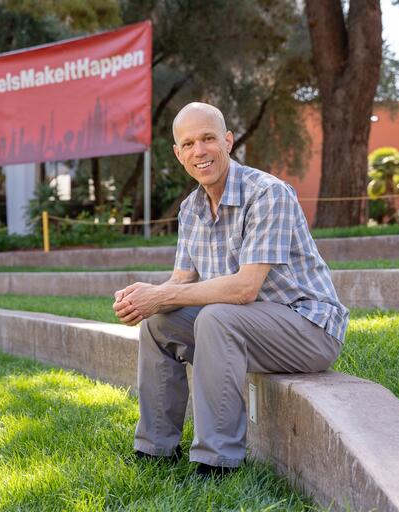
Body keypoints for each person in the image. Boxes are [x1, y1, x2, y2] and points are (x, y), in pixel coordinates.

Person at [113, 102, 349, 477]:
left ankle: (216, 461)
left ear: (227, 140)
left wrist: (161, 296)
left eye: (208, 138)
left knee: (218, 317)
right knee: (158, 323)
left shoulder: (268, 194)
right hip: (246, 326)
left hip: (308, 329)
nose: (199, 151)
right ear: (178, 154)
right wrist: (146, 297)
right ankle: (156, 449)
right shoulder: (191, 208)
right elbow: (182, 281)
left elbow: (244, 289)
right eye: (188, 144)